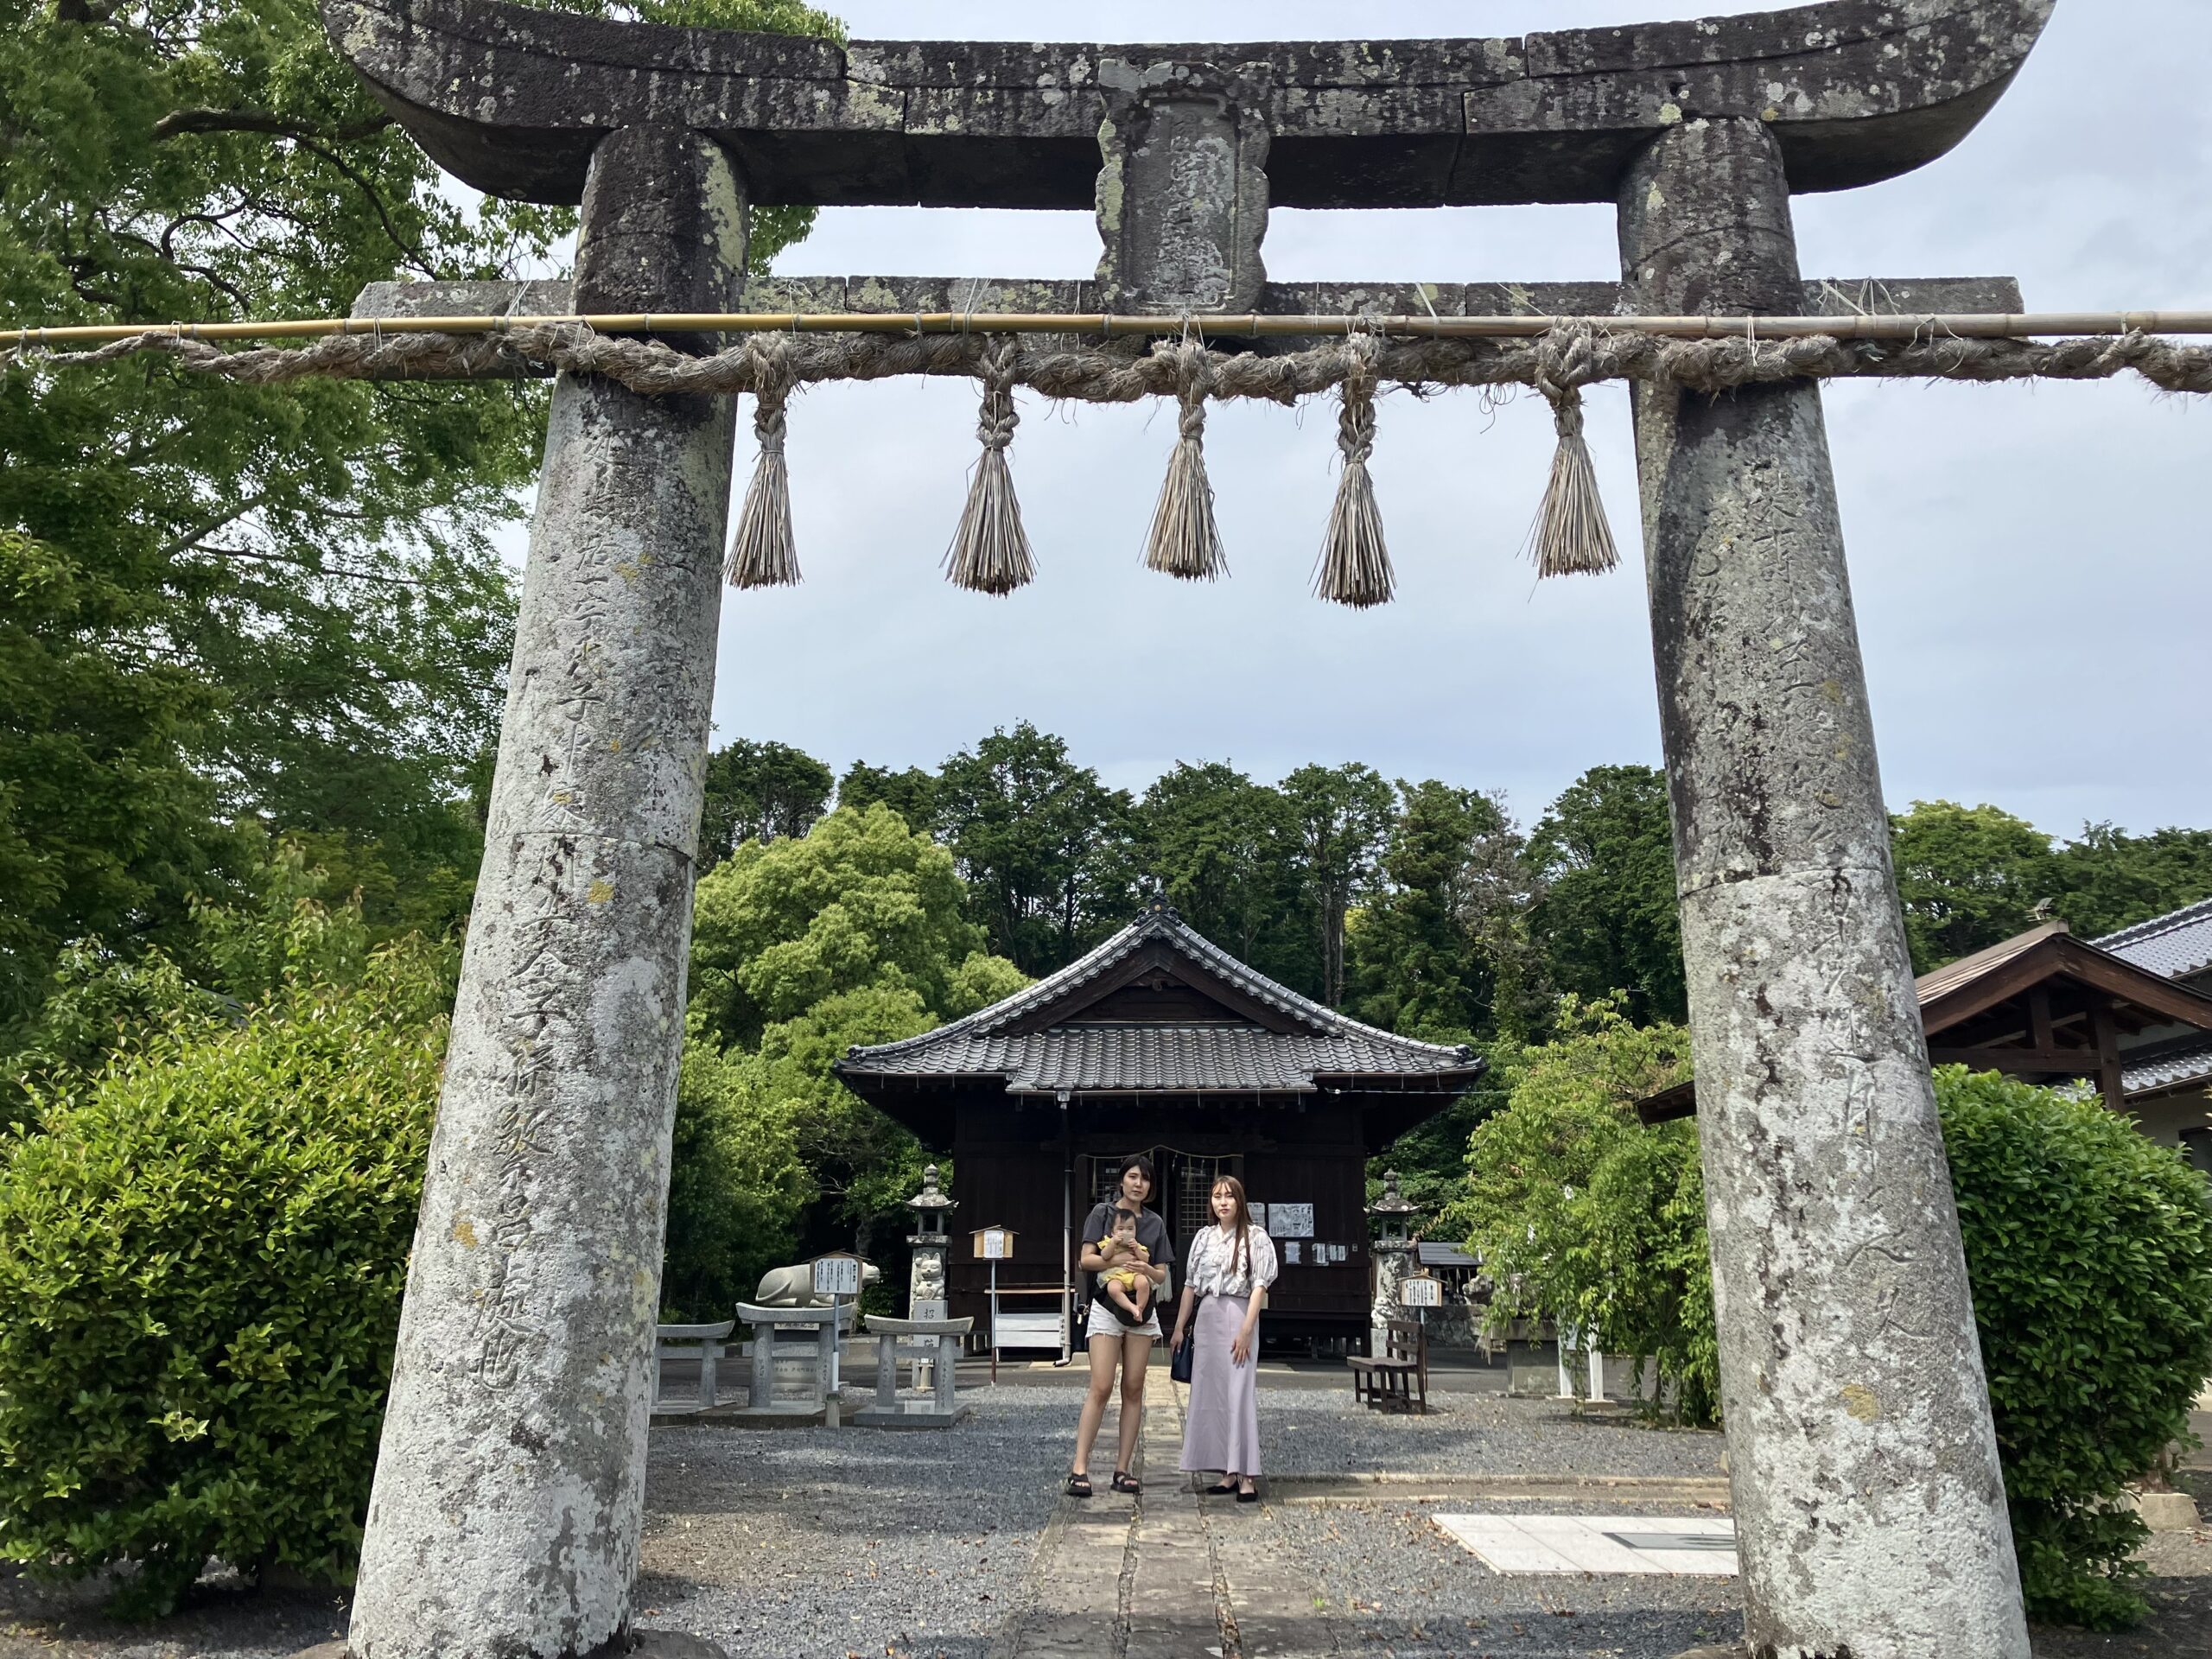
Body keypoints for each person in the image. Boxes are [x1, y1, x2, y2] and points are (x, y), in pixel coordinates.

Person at [1067, 1154, 1174, 1498]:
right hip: (1106, 1306)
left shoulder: (1155, 1223)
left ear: (1150, 1186)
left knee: (1133, 1387)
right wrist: (1118, 1258)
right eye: (1132, 1177)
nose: (1138, 1184)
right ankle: (1079, 1468)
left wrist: (1145, 1271)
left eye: (1144, 1179)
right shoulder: (1103, 1214)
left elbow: (1161, 1272)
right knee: (1100, 1385)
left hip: (1143, 1310)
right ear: (1121, 1181)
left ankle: (1122, 1469)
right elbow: (1085, 1260)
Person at [1170, 1175, 1277, 1502]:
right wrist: (1179, 1326)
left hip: (1239, 1315)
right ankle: (1226, 1471)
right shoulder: (1203, 1238)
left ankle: (1247, 1474)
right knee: (1212, 1395)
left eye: (1229, 1196)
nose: (1223, 1203)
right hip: (1208, 1318)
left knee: (1239, 1394)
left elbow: (1260, 1284)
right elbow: (1190, 1285)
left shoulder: (1255, 1237)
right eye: (1217, 1197)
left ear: (1240, 1201)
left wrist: (1247, 1328)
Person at [1092, 1206, 1154, 1326]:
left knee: (1144, 1283)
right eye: (1120, 1229)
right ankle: (1131, 1307)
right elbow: (1105, 1255)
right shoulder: (1109, 1242)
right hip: (1115, 1275)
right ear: (1112, 1232)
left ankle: (1139, 1308)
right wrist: (1113, 1243)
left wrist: (1136, 1249)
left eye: (1130, 1229)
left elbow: (1146, 1258)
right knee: (1113, 1289)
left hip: (1133, 1273)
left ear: (1135, 1231)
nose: (1125, 1232)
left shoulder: (1137, 1245)